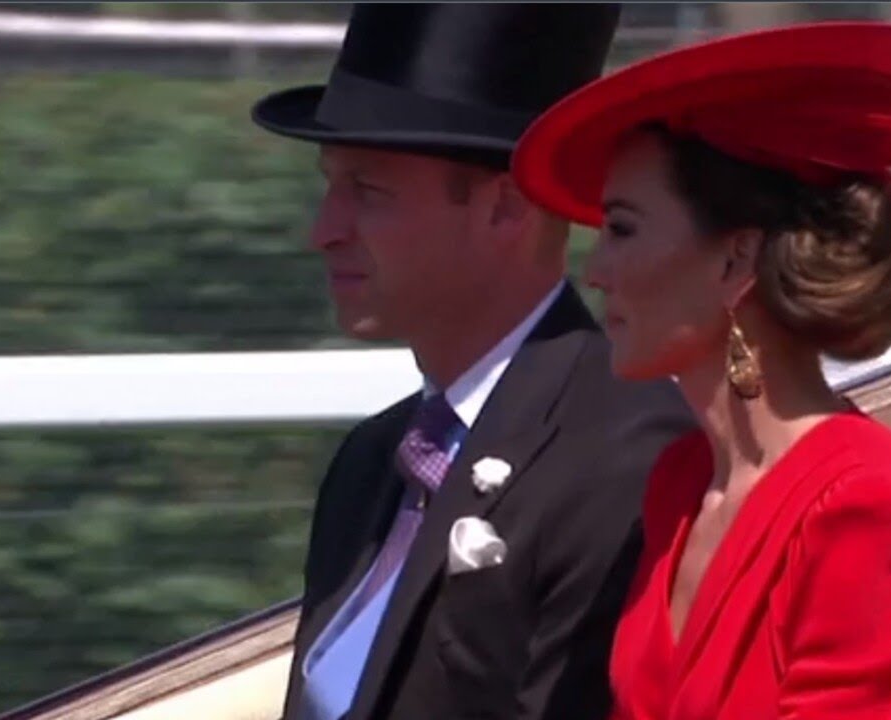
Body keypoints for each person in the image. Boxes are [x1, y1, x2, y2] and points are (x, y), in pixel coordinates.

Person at [512, 20, 891, 720]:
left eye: (622, 229)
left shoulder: (869, 503)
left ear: (736, 260)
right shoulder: (680, 482)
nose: (596, 271)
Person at [251, 5, 693, 720]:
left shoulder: (626, 458)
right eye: (330, 187)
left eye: (368, 191)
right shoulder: (372, 462)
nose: (324, 231)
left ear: (505, 208)